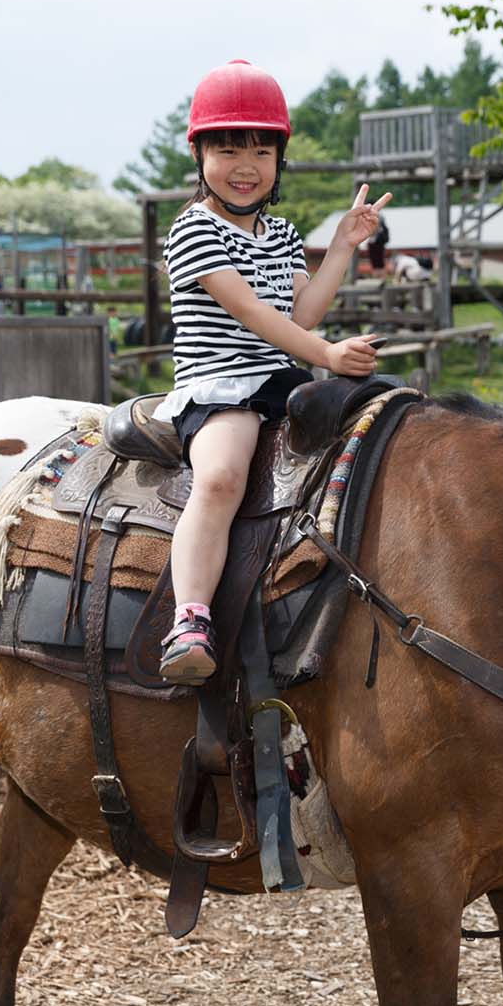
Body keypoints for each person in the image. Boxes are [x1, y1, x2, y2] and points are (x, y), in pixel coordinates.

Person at [153, 59, 388, 686]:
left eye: (261, 149)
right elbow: (254, 315)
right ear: (199, 153)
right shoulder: (193, 229)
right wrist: (327, 354)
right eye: (227, 148)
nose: (246, 164)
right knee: (225, 476)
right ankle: (191, 617)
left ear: (279, 159)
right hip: (222, 385)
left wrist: (340, 247)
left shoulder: (280, 234)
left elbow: (301, 310)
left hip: (280, 381)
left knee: (377, 437)